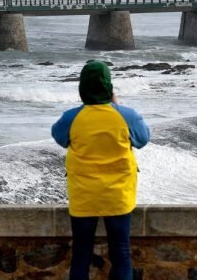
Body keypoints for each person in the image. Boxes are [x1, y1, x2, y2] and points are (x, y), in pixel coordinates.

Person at [52, 60, 150, 280]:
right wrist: (116, 104)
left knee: (81, 253)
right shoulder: (127, 115)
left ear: (82, 88)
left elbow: (59, 137)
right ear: (109, 86)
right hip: (118, 194)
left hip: (84, 194)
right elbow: (143, 139)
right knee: (121, 252)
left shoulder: (72, 117)